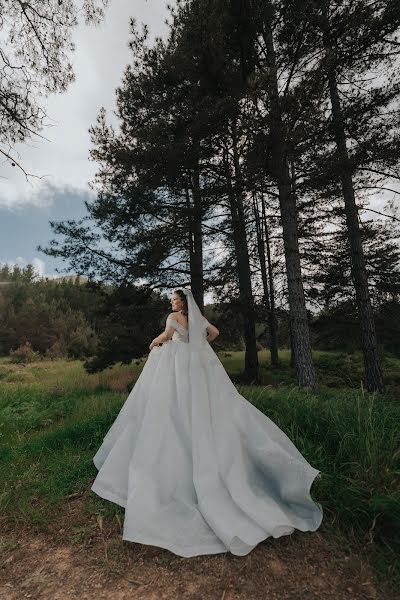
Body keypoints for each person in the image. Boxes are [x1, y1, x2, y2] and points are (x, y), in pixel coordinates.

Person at [91, 287, 323, 558]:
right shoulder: (199, 321)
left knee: (171, 405)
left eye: (174, 300)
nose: (172, 303)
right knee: (199, 406)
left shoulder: (173, 317)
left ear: (180, 302)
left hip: (176, 365)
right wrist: (198, 345)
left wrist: (154, 343)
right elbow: (215, 334)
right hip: (194, 366)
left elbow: (167, 336)